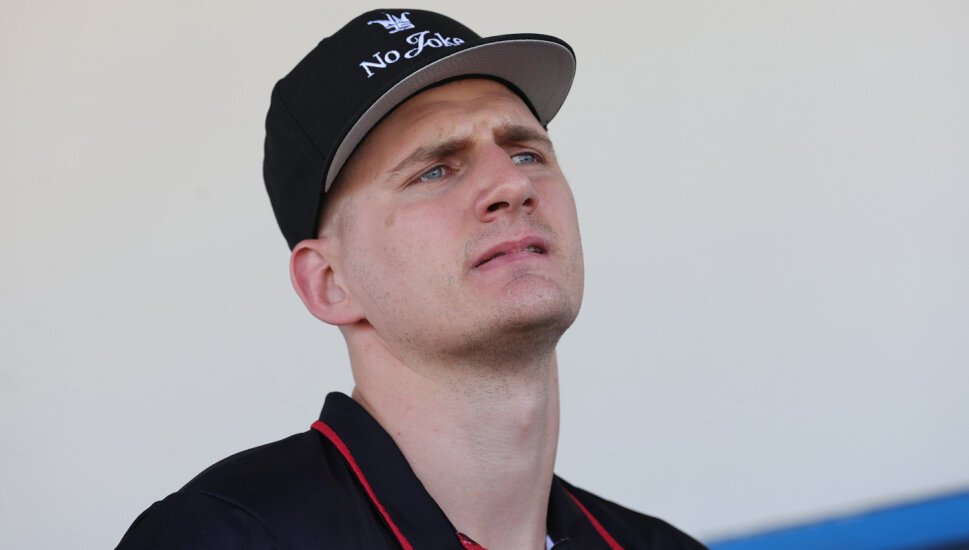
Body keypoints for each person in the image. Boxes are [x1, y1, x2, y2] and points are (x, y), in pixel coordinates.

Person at [116, 9, 706, 550]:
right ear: (329, 281)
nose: (512, 184)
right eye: (436, 170)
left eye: (527, 153)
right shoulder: (224, 537)